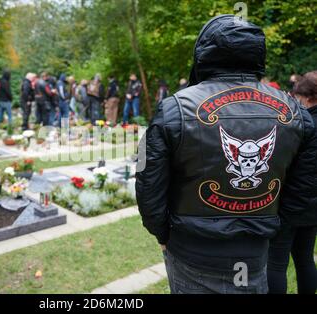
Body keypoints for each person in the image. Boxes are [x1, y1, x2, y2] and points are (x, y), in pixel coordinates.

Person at [136, 14, 317, 294]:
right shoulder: (297, 113)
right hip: (248, 251)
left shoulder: (174, 108)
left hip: (192, 247)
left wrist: (162, 232)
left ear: (203, 53)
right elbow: (303, 190)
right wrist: (269, 226)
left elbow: (148, 183)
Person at [267, 71, 317, 294]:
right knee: (305, 258)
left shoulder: (302, 123)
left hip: (289, 202)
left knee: (276, 261)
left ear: (307, 97)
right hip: (313, 204)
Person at [0, 69, 13, 135]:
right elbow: (8, 92)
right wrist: (11, 98)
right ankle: (10, 131)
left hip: (0, 101)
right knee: (10, 116)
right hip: (6, 101)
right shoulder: (5, 82)